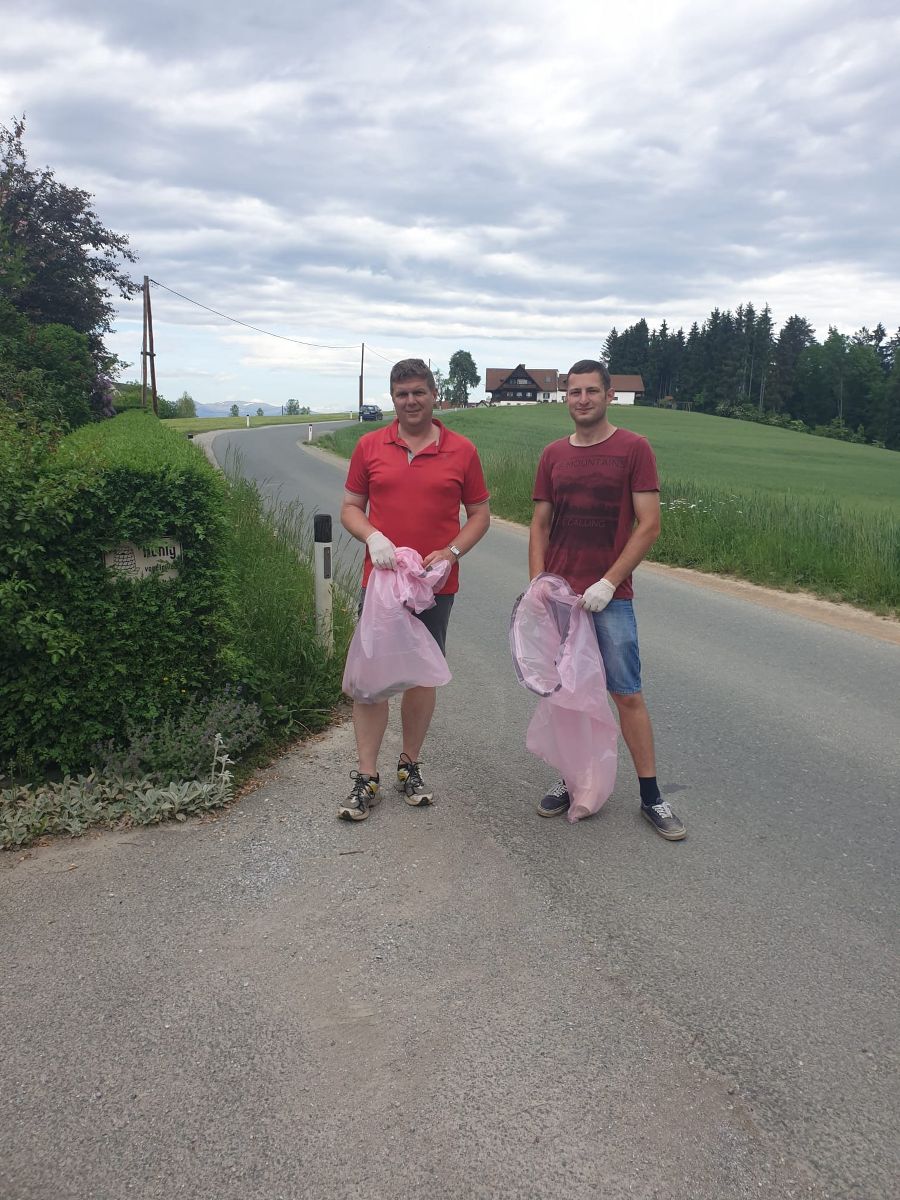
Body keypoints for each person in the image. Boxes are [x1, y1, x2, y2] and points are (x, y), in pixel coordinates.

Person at [528, 359, 685, 840]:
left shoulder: (634, 449)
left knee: (626, 693)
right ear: (565, 398)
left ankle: (651, 796)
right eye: (573, 392)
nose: (581, 400)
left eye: (591, 391)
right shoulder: (553, 455)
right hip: (562, 597)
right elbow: (539, 525)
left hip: (610, 599)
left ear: (609, 395)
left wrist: (609, 582)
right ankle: (572, 778)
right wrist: (540, 585)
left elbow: (650, 524)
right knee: (569, 694)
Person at [338, 358, 491, 821]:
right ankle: (367, 777)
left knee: (423, 675)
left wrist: (451, 553)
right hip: (383, 583)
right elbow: (350, 508)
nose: (410, 401)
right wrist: (372, 536)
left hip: (433, 586)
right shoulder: (369, 446)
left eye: (419, 392)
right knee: (372, 679)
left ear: (434, 395)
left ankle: (409, 766)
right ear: (393, 398)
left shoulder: (461, 450)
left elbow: (480, 515)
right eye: (402, 394)